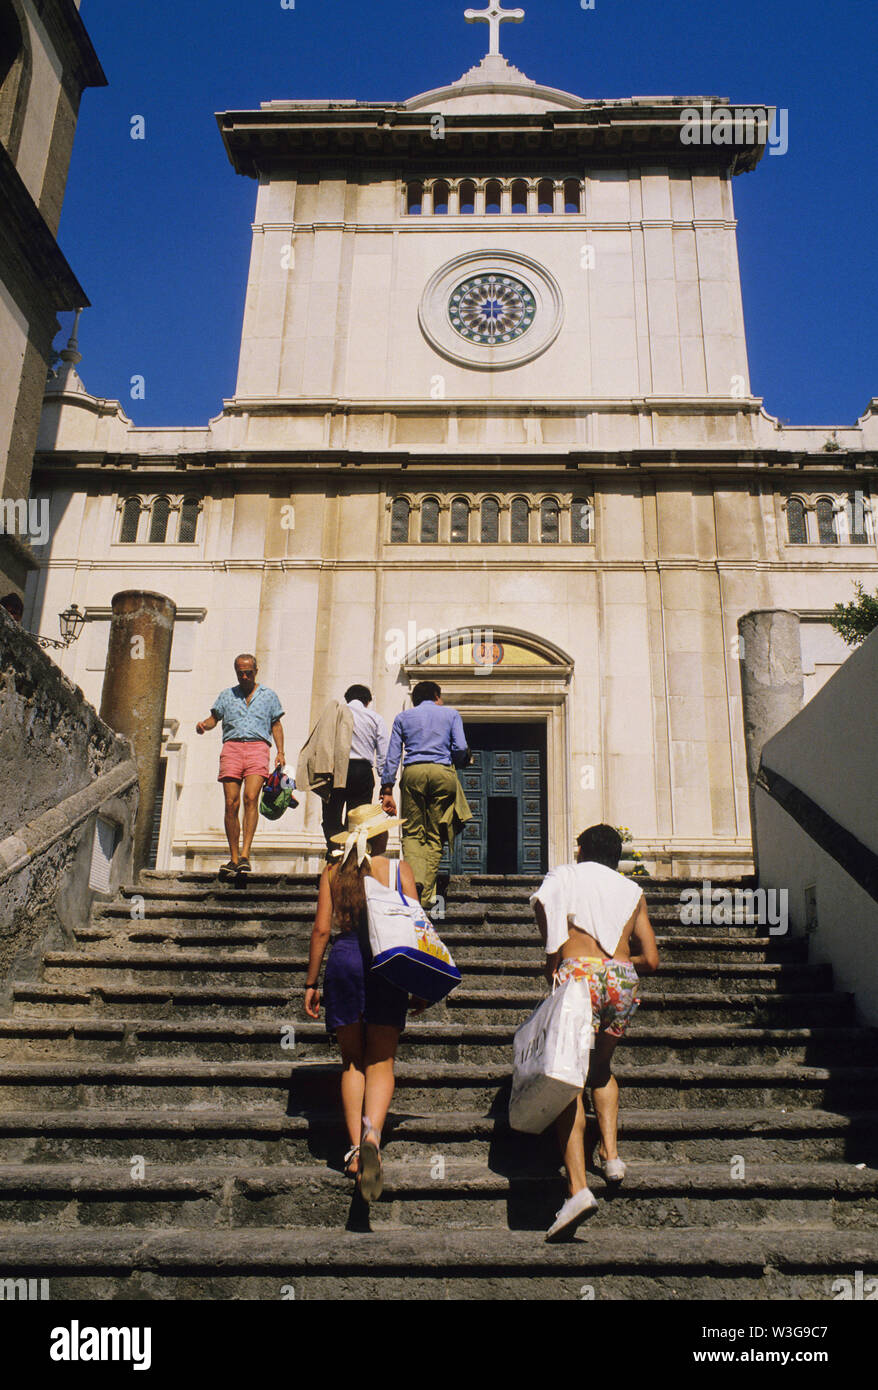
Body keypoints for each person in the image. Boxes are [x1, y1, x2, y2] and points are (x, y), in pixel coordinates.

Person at [530, 823, 659, 1240]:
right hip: (621, 979)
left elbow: (541, 904)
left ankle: (578, 1189)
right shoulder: (631, 890)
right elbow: (652, 959)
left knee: (568, 1078)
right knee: (600, 1067)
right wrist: (616, 964)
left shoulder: (565, 875)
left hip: (579, 976)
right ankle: (612, 1156)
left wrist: (554, 955)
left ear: (582, 849)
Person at [304, 803, 425, 1202]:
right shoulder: (398, 871)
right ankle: (373, 1134)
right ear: (382, 836)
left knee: (353, 1060)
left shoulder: (333, 872)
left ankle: (356, 1148)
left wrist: (310, 983)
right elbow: (415, 926)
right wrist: (420, 981)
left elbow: (322, 929)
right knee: (381, 1060)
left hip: (344, 960)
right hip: (386, 963)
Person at [378, 680, 472, 911]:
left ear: (415, 699)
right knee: (436, 833)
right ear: (436, 696)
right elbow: (460, 747)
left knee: (412, 832)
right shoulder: (451, 715)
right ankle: (426, 893)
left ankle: (413, 883)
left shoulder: (403, 718)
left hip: (414, 772)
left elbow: (392, 756)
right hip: (442, 772)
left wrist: (387, 788)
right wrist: (460, 760)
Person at [196, 654, 285, 880]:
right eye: (240, 673)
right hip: (232, 747)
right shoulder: (227, 695)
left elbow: (276, 724)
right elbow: (213, 719)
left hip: (258, 747)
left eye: (248, 672)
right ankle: (234, 858)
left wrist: (280, 752)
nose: (244, 676)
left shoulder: (268, 696)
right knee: (230, 803)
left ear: (256, 670)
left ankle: (246, 854)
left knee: (251, 797)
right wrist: (203, 726)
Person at [321, 685, 389, 849]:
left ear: (347, 699)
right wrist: (385, 783)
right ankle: (351, 855)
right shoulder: (375, 718)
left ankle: (333, 851)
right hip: (362, 770)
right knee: (357, 819)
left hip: (336, 769)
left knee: (332, 815)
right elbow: (383, 753)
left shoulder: (335, 714)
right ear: (368, 701)